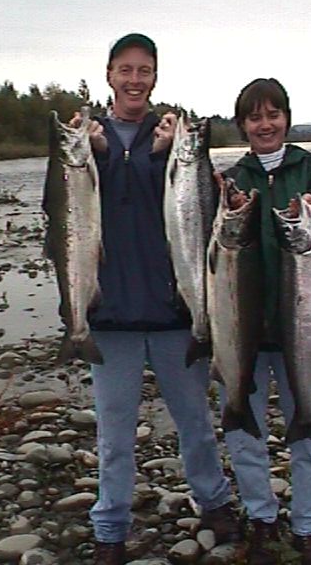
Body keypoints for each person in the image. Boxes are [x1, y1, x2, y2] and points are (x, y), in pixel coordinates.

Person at [81, 33, 240, 565]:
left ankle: (214, 501)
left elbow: (201, 211)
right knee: (114, 431)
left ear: (155, 76)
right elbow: (63, 210)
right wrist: (100, 157)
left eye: (143, 70)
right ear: (108, 75)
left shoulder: (175, 138)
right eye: (124, 70)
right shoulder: (87, 139)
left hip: (177, 312)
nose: (134, 79)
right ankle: (110, 527)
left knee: (195, 419)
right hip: (110, 315)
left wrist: (166, 155)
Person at [220, 77, 311, 565]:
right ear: (243, 126)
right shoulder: (232, 180)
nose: (265, 124)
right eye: (255, 117)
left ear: (287, 119)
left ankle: (307, 527)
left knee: (308, 426)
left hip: (306, 331)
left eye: (273, 114)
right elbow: (216, 247)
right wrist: (226, 211)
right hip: (245, 331)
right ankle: (261, 518)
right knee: (243, 431)